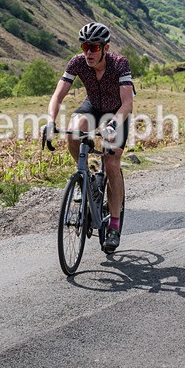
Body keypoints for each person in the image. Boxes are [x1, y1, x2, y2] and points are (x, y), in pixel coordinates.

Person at [43, 22, 134, 253]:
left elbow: (127, 104)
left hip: (116, 113)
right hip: (92, 107)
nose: (88, 52)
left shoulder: (119, 64)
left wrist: (113, 124)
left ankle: (113, 224)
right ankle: (87, 178)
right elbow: (57, 96)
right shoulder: (77, 62)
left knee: (111, 162)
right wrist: (50, 121)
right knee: (73, 132)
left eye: (94, 47)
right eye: (85, 46)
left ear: (105, 48)